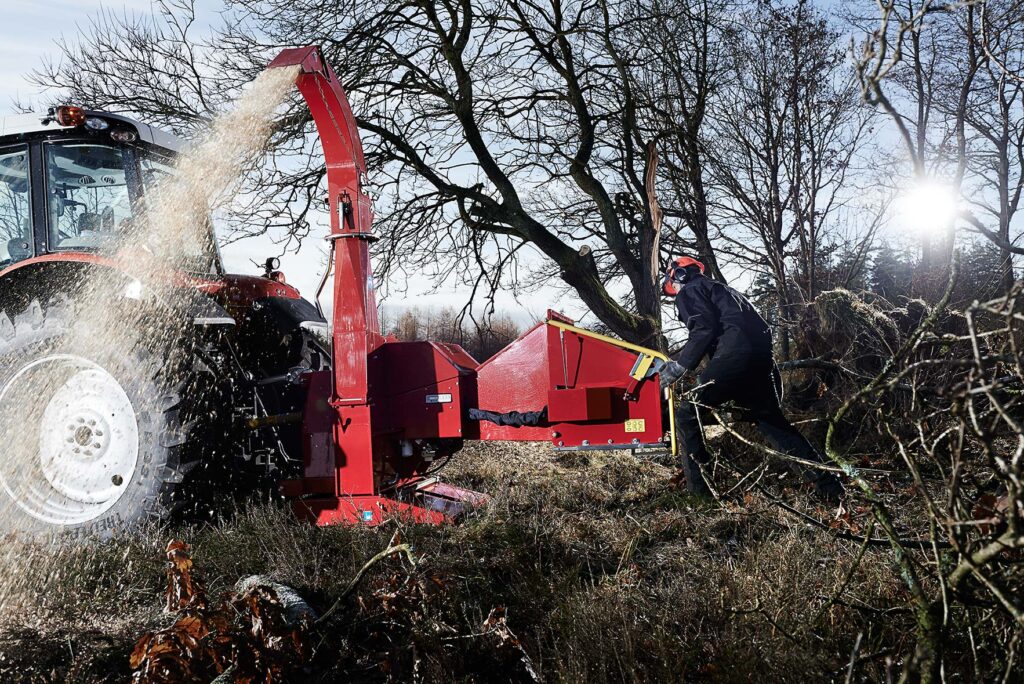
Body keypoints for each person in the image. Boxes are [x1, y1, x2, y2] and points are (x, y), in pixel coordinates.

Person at [659, 256, 845, 502]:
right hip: (761, 359)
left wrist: (679, 366)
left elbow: (703, 328)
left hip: (734, 356)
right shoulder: (727, 291)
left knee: (686, 414)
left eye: (674, 286)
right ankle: (830, 488)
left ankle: (701, 496)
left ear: (679, 274)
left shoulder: (691, 290)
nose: (676, 292)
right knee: (773, 423)